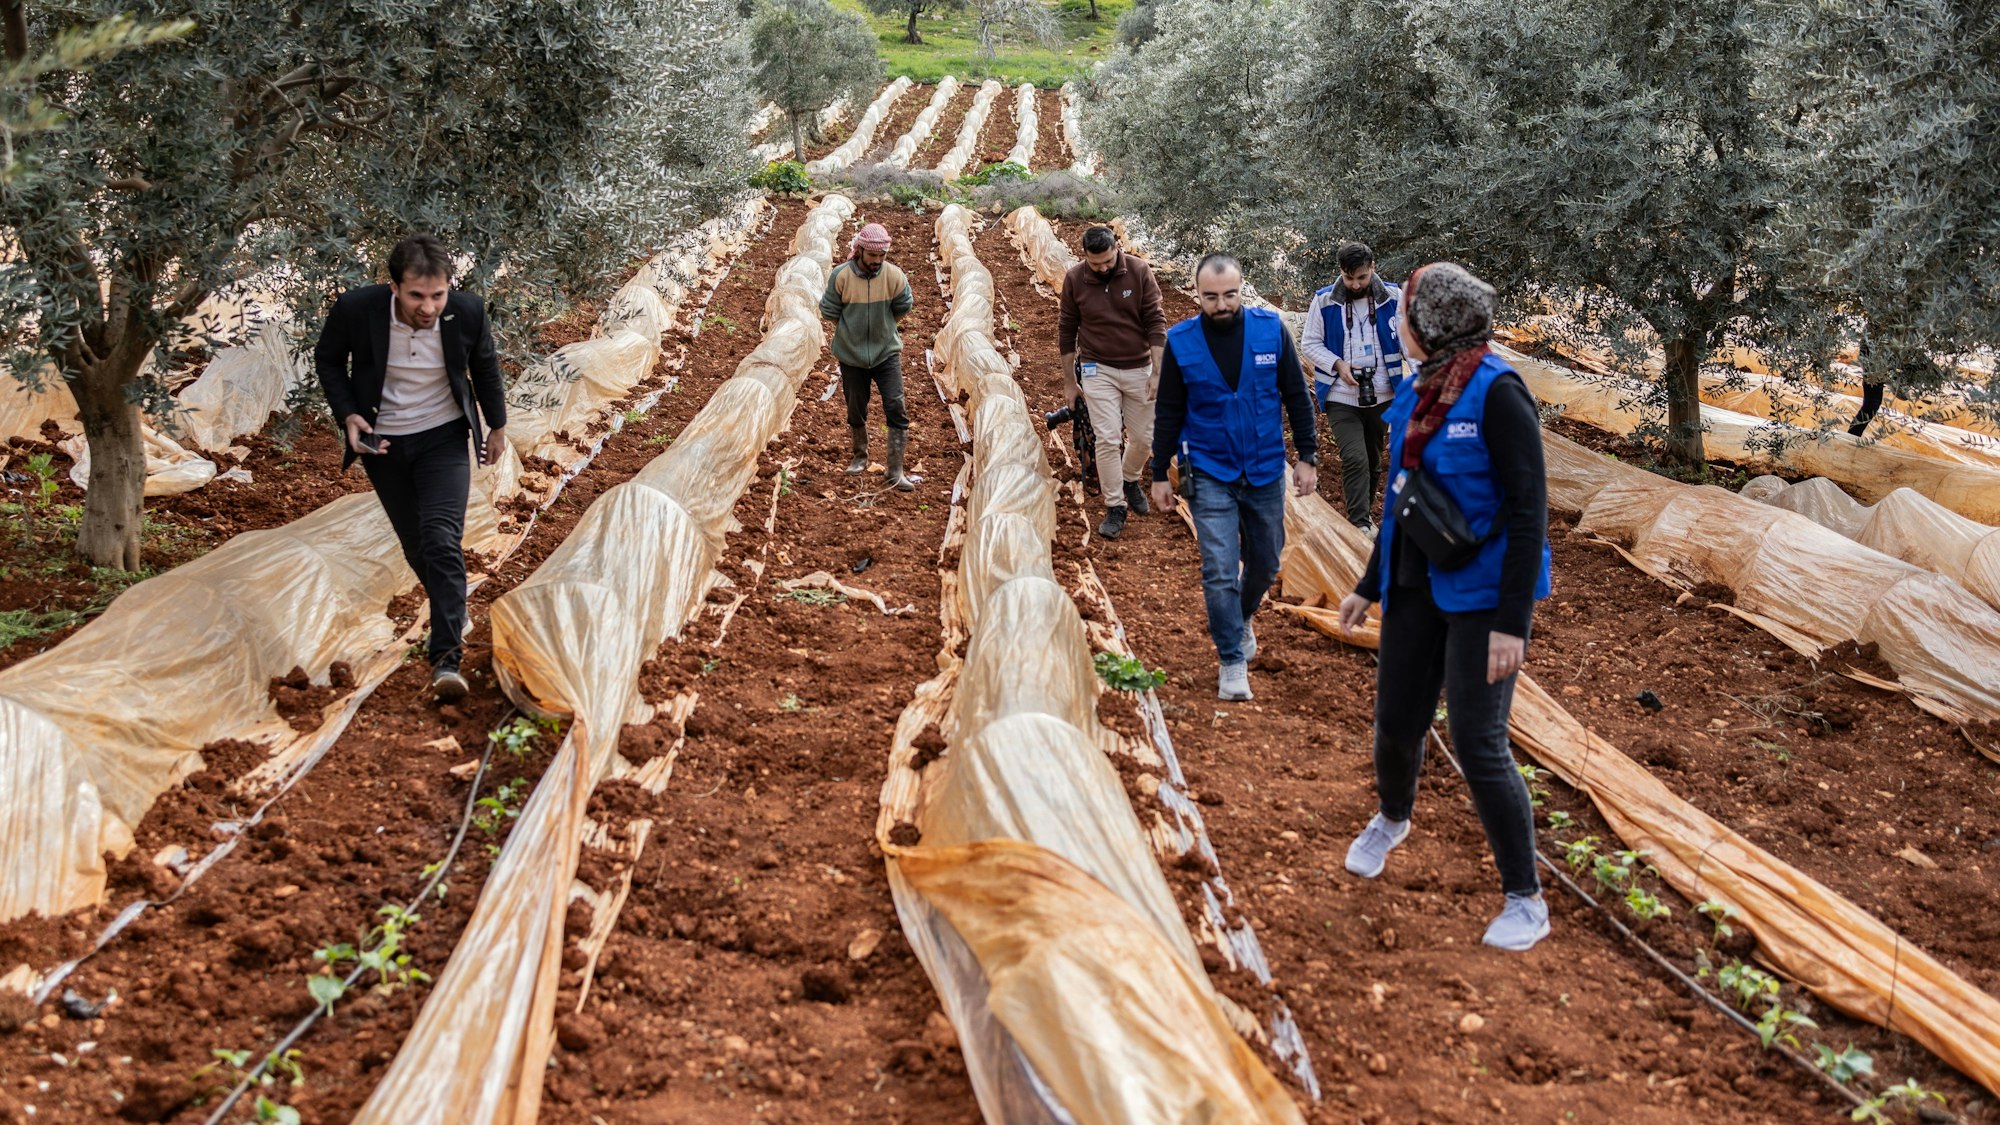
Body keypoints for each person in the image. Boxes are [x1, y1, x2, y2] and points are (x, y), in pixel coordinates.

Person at [1334, 261, 1553, 952]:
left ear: (1434, 323)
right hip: (1414, 584)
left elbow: (1529, 513)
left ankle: (1526, 896)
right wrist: (1369, 585)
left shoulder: (1497, 392)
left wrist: (1512, 624)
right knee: (1397, 718)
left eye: (1403, 314)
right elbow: (1400, 500)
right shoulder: (1424, 390)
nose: (1395, 324)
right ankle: (1393, 816)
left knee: (1478, 739)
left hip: (1483, 596)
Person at [315, 234, 508, 702]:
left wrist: (496, 427)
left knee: (442, 538)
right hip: (383, 444)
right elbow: (328, 360)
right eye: (417, 295)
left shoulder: (467, 312)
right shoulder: (357, 310)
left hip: (443, 437)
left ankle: (446, 658)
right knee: (417, 546)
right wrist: (348, 414)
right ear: (394, 286)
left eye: (437, 295)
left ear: (449, 287)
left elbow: (485, 367)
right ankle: (450, 603)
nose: (429, 306)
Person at [1151, 254, 1319, 702]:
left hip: (1264, 467)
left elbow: (1297, 396)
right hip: (1209, 471)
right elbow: (1167, 410)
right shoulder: (1182, 342)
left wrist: (1308, 455)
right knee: (1220, 569)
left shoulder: (1271, 330)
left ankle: (1241, 616)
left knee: (1266, 562)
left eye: (1229, 295)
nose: (1221, 304)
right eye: (1210, 297)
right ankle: (1230, 659)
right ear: (1197, 294)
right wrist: (1158, 473)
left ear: (1241, 289)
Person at [1059, 225, 1168, 540]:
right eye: (1096, 264)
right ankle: (1115, 505)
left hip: (1139, 366)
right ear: (1085, 258)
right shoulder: (1075, 279)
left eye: (1108, 261)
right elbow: (1067, 330)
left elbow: (1156, 321)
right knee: (1107, 439)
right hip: (1097, 368)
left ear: (1117, 248)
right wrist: (1069, 381)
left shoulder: (1138, 271)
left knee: (1144, 438)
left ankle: (1130, 478)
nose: (1103, 268)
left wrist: (1158, 372)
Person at [1300, 242, 1409, 532]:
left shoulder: (1394, 298)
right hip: (1341, 396)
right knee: (1354, 457)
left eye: (1361, 277)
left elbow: (1409, 343)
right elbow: (1309, 343)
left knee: (1374, 461)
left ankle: (1366, 515)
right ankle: (1358, 524)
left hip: (1384, 395)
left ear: (1373, 267)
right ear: (1341, 273)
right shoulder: (1323, 301)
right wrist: (1338, 365)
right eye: (1349, 278)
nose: (1356, 284)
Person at [820, 222, 917, 491]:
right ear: (860, 250)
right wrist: (851, 332)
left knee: (896, 405)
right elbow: (829, 310)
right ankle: (859, 457)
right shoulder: (841, 276)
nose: (877, 261)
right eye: (872, 255)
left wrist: (883, 329)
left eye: (881, 256)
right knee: (855, 405)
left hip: (886, 353)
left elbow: (903, 306)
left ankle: (895, 470)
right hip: (851, 356)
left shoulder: (894, 276)